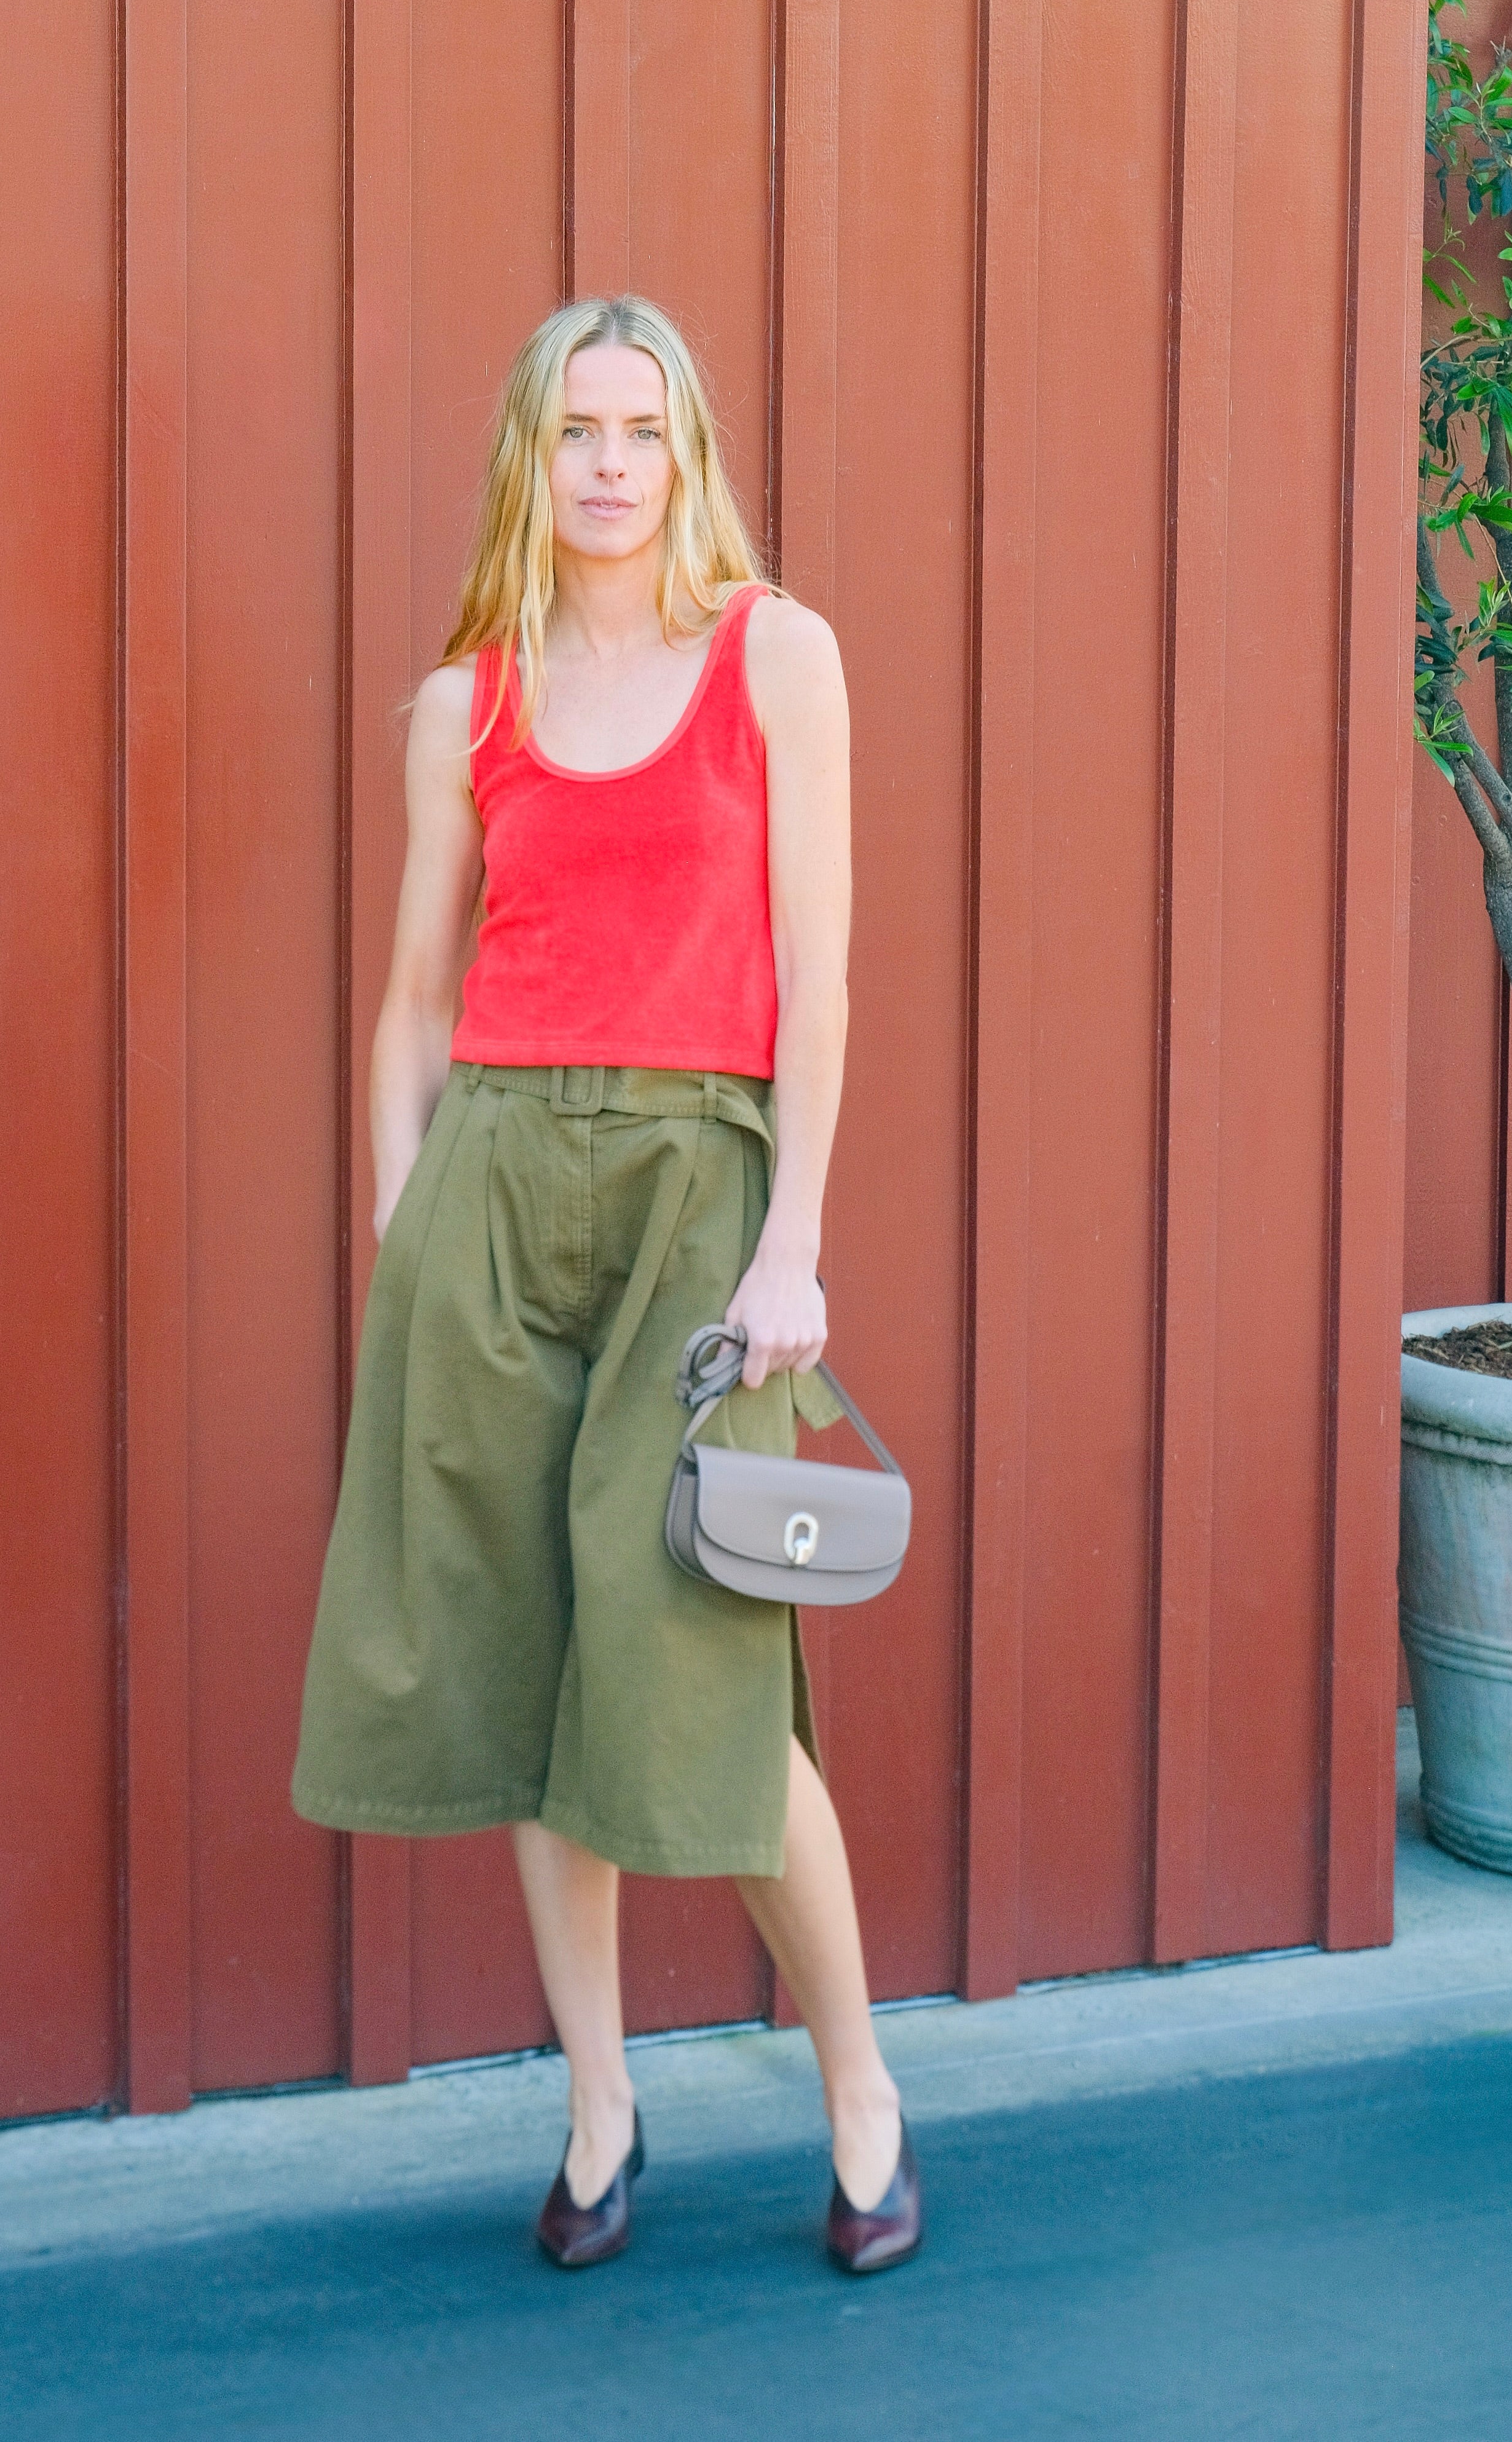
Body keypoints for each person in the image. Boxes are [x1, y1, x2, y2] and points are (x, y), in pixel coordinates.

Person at [291, 294, 920, 2275]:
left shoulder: (778, 655)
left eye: (644, 429)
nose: (613, 465)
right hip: (492, 1179)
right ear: (530, 457)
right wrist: (403, 1220)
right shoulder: (463, 698)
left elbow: (818, 978)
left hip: (694, 1191)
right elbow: (405, 1002)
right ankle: (599, 2104)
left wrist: (796, 1238)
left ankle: (861, 2092)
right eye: (579, 431)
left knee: (709, 1671)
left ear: (689, 450)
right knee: (525, 1658)